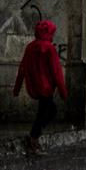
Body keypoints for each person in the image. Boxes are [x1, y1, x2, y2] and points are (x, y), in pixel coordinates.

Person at [13, 20, 68, 156]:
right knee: (44, 113)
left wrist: (17, 88)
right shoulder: (49, 48)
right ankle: (33, 139)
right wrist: (63, 92)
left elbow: (22, 68)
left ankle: (35, 137)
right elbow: (57, 72)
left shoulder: (30, 47)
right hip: (46, 86)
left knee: (47, 111)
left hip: (35, 86)